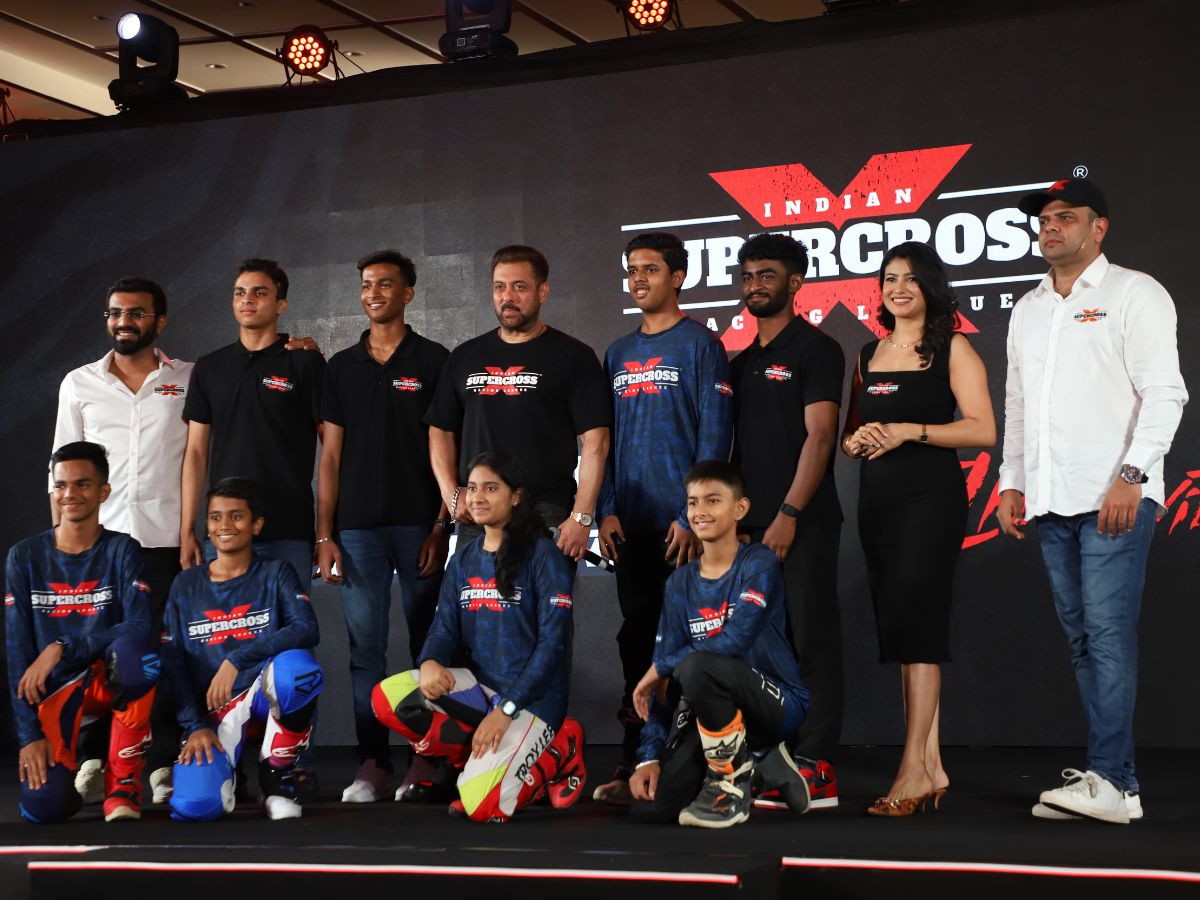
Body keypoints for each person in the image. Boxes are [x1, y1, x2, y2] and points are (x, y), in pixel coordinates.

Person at [997, 178, 1187, 824]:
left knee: (1106, 638)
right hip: (1052, 500)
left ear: (1098, 227)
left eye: (1066, 217)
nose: (1050, 228)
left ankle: (1107, 776)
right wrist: (1011, 480)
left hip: (1116, 497)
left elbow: (1166, 393)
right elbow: (1018, 405)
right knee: (1084, 642)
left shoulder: (1135, 292)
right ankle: (1120, 788)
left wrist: (1133, 474)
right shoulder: (1028, 309)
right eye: (1045, 219)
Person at [841, 241, 994, 816]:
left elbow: (982, 429)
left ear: (930, 286)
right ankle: (932, 766)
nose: (898, 288)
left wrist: (911, 431)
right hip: (878, 502)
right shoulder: (868, 353)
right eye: (889, 278)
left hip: (930, 500)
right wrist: (857, 441)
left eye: (909, 278)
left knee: (920, 627)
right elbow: (852, 433)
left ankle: (911, 770)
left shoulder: (953, 347)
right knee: (904, 629)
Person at [592, 232, 733, 805]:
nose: (638, 279)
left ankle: (690, 765)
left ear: (678, 277)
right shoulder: (617, 353)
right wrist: (604, 510)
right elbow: (602, 443)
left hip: (684, 530)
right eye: (632, 270)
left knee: (689, 647)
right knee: (636, 641)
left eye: (650, 269)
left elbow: (715, 435)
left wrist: (691, 514)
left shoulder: (701, 345)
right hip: (631, 527)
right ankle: (637, 760)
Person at [372, 452, 586, 823]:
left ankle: (558, 748)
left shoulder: (544, 556)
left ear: (515, 496)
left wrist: (507, 710)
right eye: (472, 488)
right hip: (481, 691)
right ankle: (474, 760)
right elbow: (444, 627)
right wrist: (430, 661)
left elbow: (553, 647)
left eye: (490, 488)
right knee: (389, 699)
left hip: (532, 703)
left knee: (481, 807)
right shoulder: (463, 558)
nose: (477, 497)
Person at [316, 249, 451, 804]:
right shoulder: (341, 367)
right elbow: (329, 457)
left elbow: (448, 450)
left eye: (386, 284)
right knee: (365, 651)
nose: (374, 293)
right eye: (367, 284)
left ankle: (428, 757)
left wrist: (441, 525)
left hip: (420, 526)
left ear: (408, 293)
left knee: (429, 646)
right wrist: (325, 534)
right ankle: (372, 762)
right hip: (356, 533)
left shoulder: (434, 359)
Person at [51, 276, 191, 805]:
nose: (123, 322)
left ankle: (160, 763)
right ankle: (93, 758)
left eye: (136, 313)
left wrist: (298, 348)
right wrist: (65, 544)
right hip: (97, 545)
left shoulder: (187, 378)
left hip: (164, 540)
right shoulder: (78, 383)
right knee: (96, 651)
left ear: (160, 321)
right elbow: (60, 469)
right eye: (115, 313)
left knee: (158, 652)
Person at [627, 460, 810, 828]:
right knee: (653, 809)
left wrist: (662, 667)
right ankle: (762, 758)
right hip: (715, 713)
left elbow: (735, 640)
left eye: (713, 501)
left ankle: (732, 787)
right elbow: (661, 686)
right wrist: (649, 756)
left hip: (778, 702)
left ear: (739, 509)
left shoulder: (759, 563)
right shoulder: (679, 584)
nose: (700, 512)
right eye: (693, 502)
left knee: (697, 666)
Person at [729, 233, 845, 810]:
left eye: (767, 275)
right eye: (748, 276)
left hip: (803, 521)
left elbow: (820, 438)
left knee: (811, 640)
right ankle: (775, 762)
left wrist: (788, 514)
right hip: (749, 530)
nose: (755, 285)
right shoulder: (739, 362)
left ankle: (816, 765)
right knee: (761, 648)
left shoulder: (816, 349)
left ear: (795, 283)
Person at [424, 245, 611, 561]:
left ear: (543, 292)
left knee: (542, 596)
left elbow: (597, 442)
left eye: (519, 287)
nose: (507, 296)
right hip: (479, 515)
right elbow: (440, 429)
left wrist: (581, 517)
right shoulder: (465, 357)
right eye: (499, 287)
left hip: (545, 512)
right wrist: (451, 493)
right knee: (476, 596)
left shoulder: (574, 356)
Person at [6, 441, 158, 823]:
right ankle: (71, 785)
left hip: (108, 676)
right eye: (61, 485)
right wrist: (28, 736)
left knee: (137, 656)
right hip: (57, 688)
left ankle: (123, 784)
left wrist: (62, 645)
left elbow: (139, 625)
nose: (70, 493)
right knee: (42, 807)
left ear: (104, 492)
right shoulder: (24, 556)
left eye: (82, 484)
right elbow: (16, 648)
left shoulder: (123, 549)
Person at [163, 477, 323, 822]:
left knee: (299, 670)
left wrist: (237, 659)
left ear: (256, 524)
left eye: (236, 516)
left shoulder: (275, 573)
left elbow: (306, 628)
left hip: (265, 695)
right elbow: (173, 662)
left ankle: (276, 774)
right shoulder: (185, 584)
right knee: (195, 807)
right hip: (215, 712)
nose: (225, 525)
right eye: (215, 517)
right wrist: (195, 725)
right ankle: (227, 774)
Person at [180, 257, 325, 583]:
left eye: (259, 292)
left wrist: (326, 532)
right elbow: (196, 453)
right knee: (225, 618)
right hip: (223, 533)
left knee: (289, 618)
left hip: (289, 530)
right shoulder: (209, 367)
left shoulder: (305, 363)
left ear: (281, 305)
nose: (247, 299)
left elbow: (332, 450)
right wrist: (187, 529)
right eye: (240, 292)